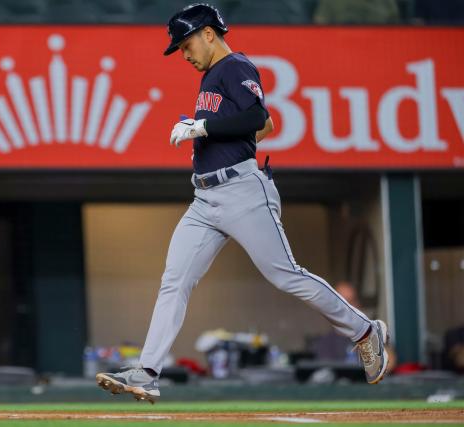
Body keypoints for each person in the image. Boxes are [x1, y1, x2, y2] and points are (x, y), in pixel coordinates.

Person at [96, 4, 389, 403]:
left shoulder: (234, 66)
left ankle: (364, 330)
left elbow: (255, 116)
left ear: (209, 34)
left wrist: (203, 126)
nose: (183, 54)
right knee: (175, 280)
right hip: (205, 198)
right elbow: (265, 125)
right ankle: (147, 371)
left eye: (186, 44)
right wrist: (210, 132)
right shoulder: (212, 77)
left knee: (286, 274)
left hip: (243, 193)